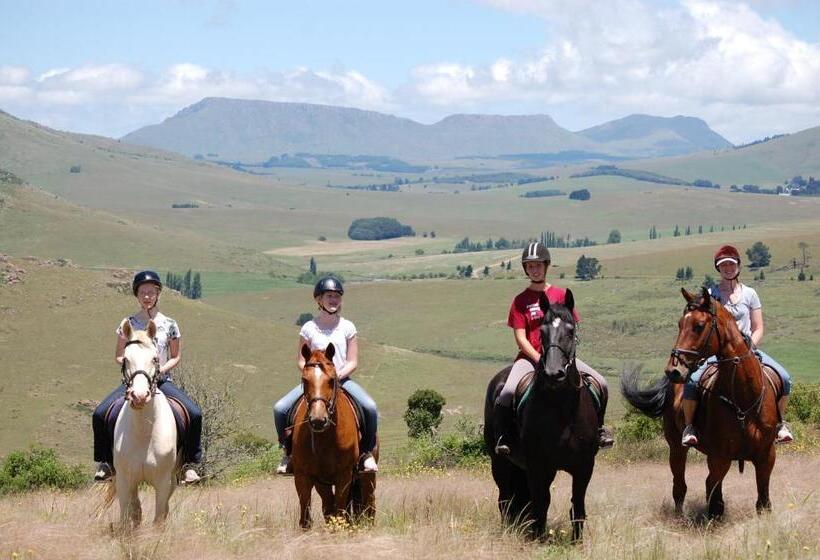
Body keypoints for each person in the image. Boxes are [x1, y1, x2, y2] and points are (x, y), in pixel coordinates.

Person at [493, 242, 614, 455]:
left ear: (546, 266)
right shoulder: (520, 301)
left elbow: (572, 328)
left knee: (602, 383)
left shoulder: (561, 295)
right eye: (530, 266)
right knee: (507, 392)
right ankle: (506, 436)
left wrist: (564, 356)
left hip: (562, 359)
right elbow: (521, 338)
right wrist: (540, 359)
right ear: (525, 269)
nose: (534, 269)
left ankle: (599, 430)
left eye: (538, 265)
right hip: (530, 359)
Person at [91, 270, 203, 483]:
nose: (147, 296)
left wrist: (160, 370)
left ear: (158, 294)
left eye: (151, 292)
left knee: (195, 413)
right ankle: (105, 462)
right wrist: (133, 370)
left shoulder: (170, 324)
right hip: (133, 381)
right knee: (99, 413)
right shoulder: (128, 323)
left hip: (160, 380)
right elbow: (118, 355)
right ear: (136, 294)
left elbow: (176, 356)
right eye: (143, 292)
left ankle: (188, 463)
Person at [681, 245, 794, 446]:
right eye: (723, 265)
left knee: (785, 378)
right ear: (718, 269)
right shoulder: (710, 294)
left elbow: (758, 327)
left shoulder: (750, 294)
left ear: (738, 266)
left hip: (748, 351)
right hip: (716, 354)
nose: (727, 268)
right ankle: (689, 427)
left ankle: (780, 425)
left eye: (731, 264)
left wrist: (751, 345)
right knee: (691, 382)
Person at [273, 276, 379, 475]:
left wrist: (335, 375)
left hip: (341, 380)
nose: (334, 300)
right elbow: (301, 360)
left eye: (337, 296)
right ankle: (288, 453)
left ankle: (366, 452)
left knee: (370, 408)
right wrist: (312, 376)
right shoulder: (308, 328)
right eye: (329, 296)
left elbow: (353, 361)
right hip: (315, 382)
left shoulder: (348, 327)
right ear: (318, 299)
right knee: (280, 409)